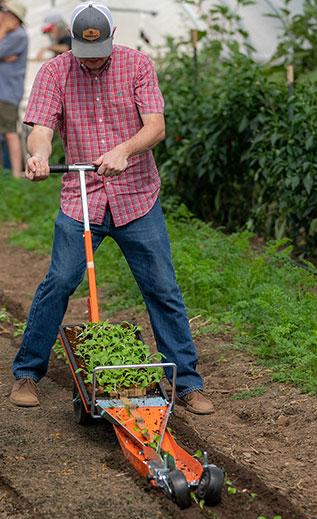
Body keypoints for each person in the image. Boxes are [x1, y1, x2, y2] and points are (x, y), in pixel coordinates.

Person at [10, 2, 214, 416]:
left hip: (137, 196)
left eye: (100, 49)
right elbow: (42, 131)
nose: (94, 59)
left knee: (162, 288)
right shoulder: (56, 72)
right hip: (82, 196)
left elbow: (155, 127)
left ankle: (188, 383)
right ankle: (28, 371)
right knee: (60, 281)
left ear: (113, 34)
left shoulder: (137, 65)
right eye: (85, 53)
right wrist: (38, 156)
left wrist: (124, 150)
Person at [0, 0, 27, 177]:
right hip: (3, 91)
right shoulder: (10, 35)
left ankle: (17, 175)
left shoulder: (18, 35)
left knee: (10, 132)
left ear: (14, 18)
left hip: (8, 93)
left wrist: (2, 30)